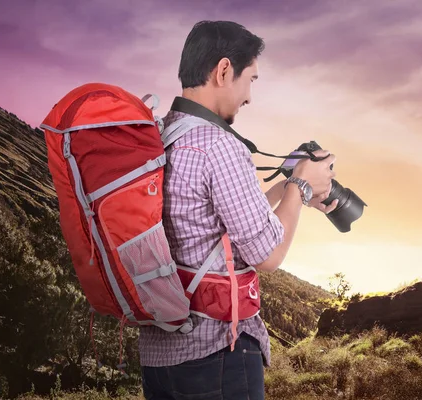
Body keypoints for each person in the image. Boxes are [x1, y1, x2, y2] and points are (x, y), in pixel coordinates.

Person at [138, 20, 337, 399]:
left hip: (160, 359)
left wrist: (284, 189)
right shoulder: (219, 145)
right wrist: (301, 185)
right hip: (215, 355)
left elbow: (210, 225)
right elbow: (267, 253)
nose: (249, 97)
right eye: (252, 80)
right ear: (224, 70)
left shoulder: (162, 136)